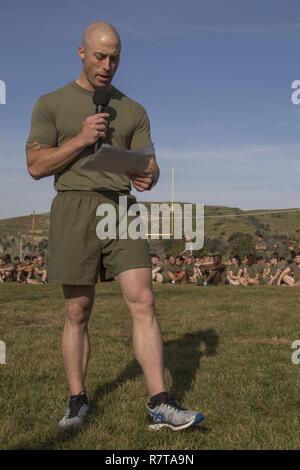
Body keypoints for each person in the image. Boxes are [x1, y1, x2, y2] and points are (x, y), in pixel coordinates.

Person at [26, 21, 204, 431]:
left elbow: (149, 164)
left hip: (122, 208)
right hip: (73, 207)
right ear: (82, 52)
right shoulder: (49, 103)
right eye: (100, 56)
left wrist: (149, 175)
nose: (108, 65)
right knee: (78, 309)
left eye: (116, 57)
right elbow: (35, 166)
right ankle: (77, 401)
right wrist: (79, 139)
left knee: (143, 300)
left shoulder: (135, 110)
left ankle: (159, 402)